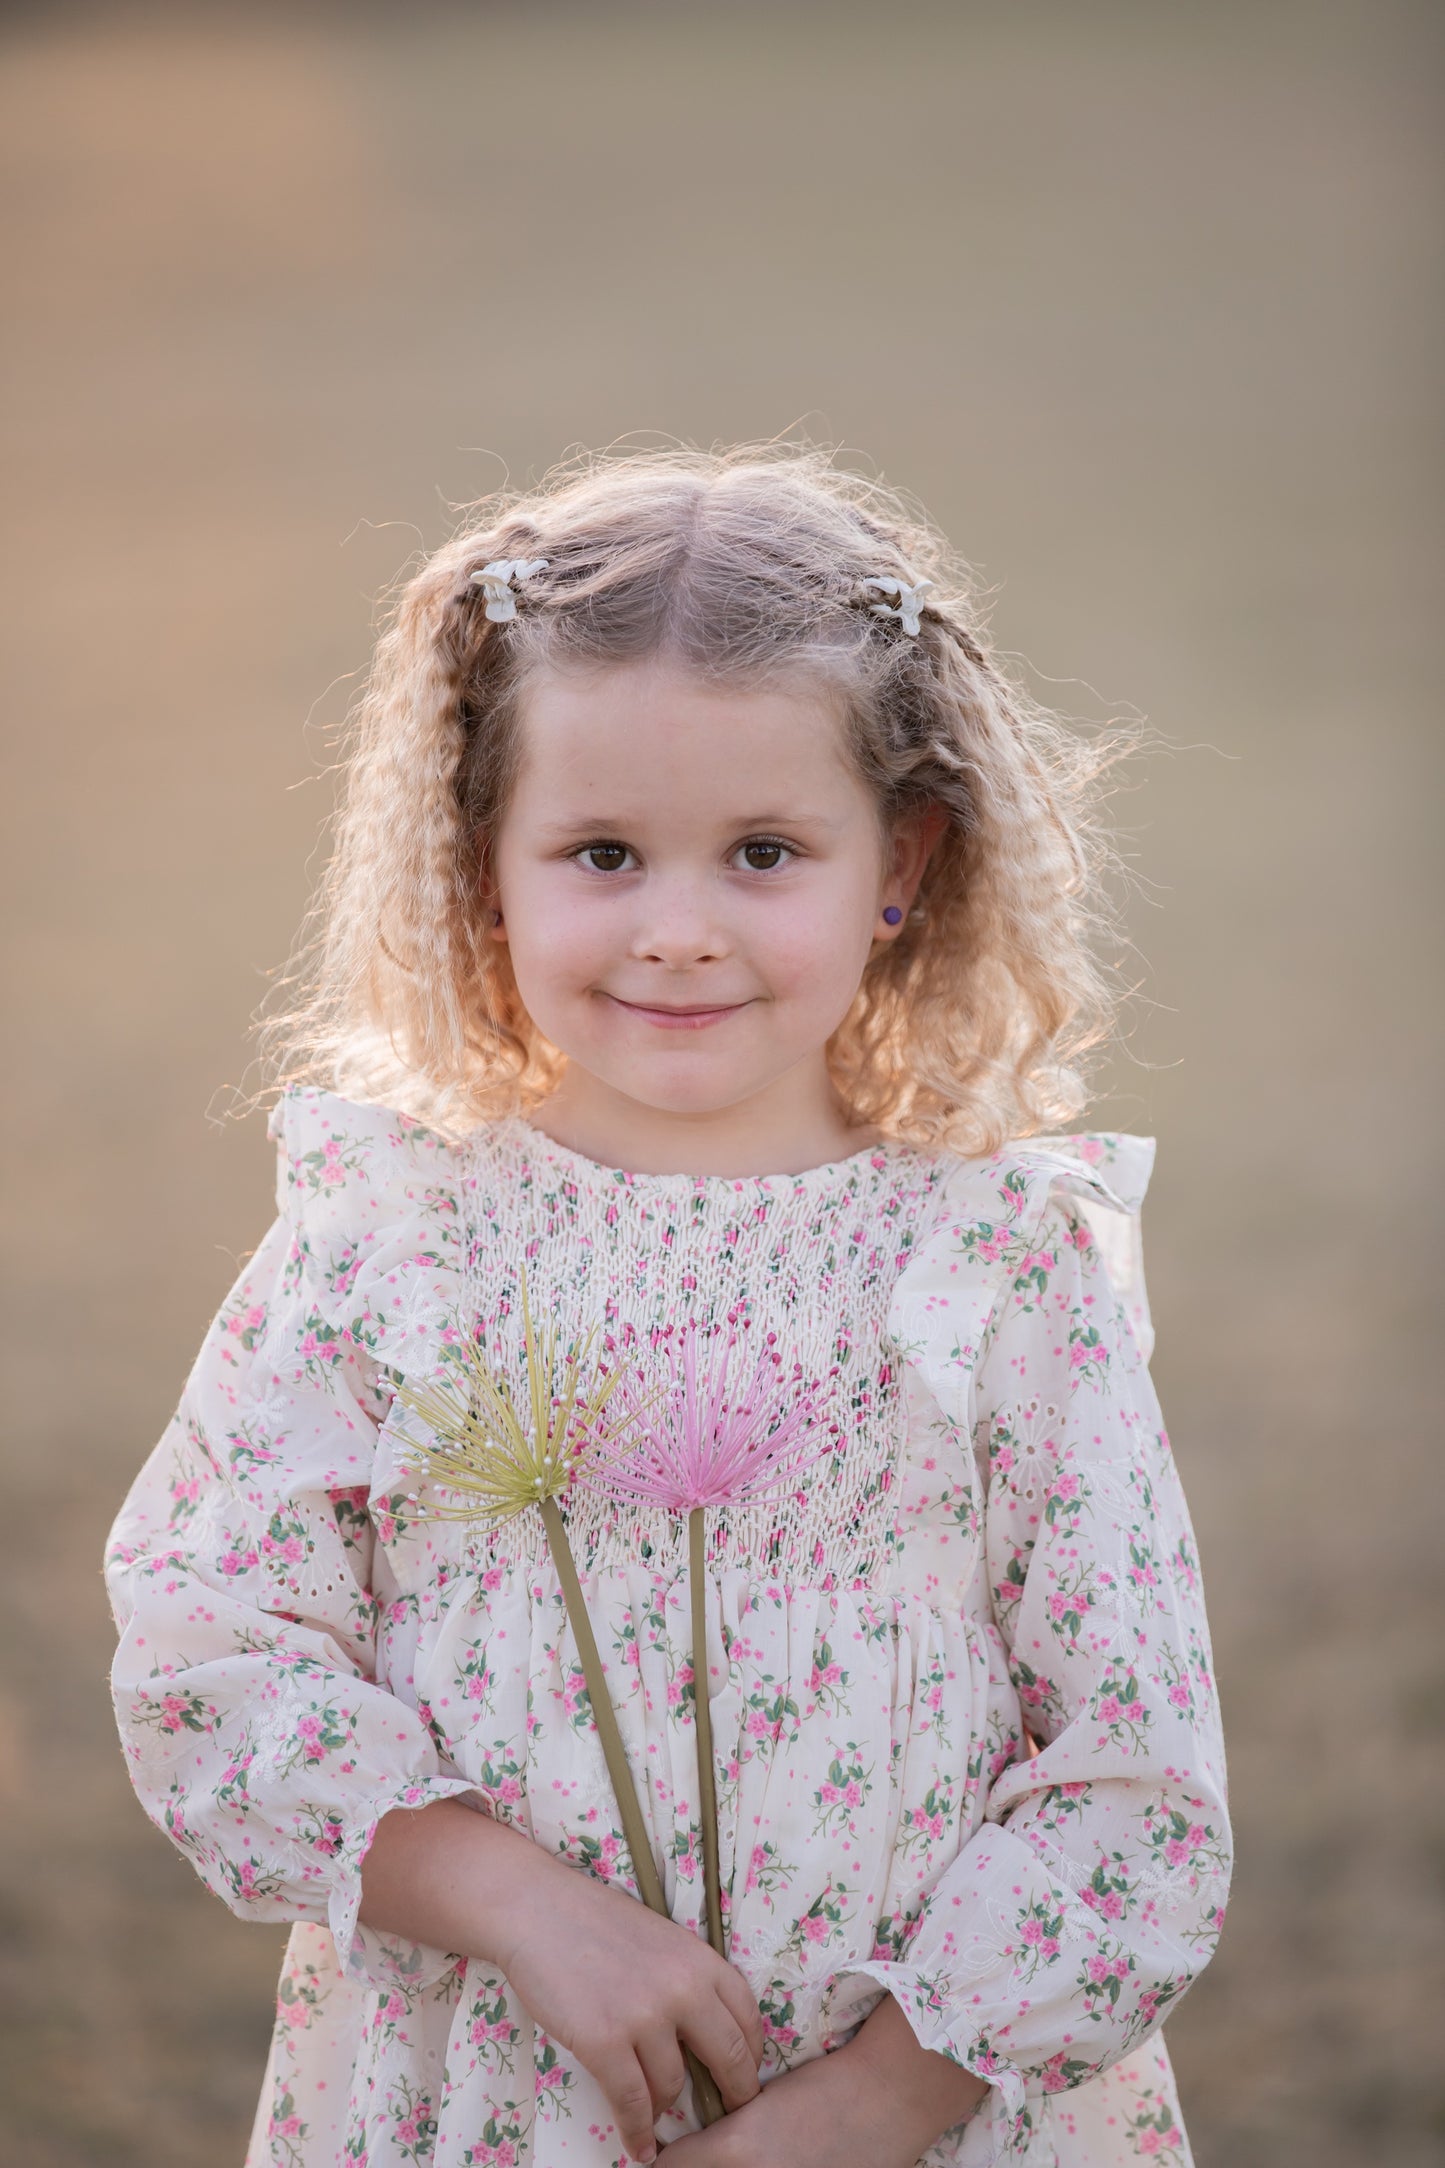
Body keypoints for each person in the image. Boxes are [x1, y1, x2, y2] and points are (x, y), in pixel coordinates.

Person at [104, 446, 1230, 2168]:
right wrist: (524, 1908)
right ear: (484, 862)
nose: (682, 930)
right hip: (493, 2094)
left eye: (764, 851)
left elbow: (1137, 1784)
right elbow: (209, 1656)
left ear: (900, 863)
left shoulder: (991, 1264)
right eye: (605, 853)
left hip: (928, 2117)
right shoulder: (401, 1242)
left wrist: (861, 2111)